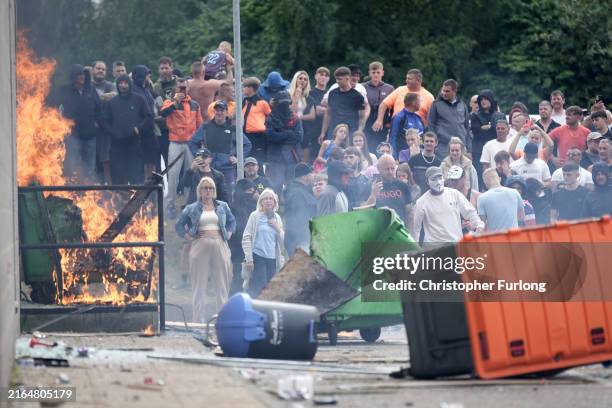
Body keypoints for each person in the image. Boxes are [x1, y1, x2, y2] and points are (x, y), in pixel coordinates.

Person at [175, 177, 235, 323]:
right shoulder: (192, 208)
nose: (208, 191)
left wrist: (229, 232)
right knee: (198, 285)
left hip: (219, 242)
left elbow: (232, 221)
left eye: (211, 188)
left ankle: (222, 319)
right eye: (205, 188)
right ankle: (198, 320)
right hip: (200, 244)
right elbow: (178, 225)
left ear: (214, 191)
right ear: (200, 190)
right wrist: (188, 237)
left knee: (222, 284)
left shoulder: (223, 206)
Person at [160, 78, 203, 217]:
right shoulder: (169, 102)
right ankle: (170, 205)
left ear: (188, 88)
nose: (182, 90)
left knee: (190, 173)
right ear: (175, 88)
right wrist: (176, 102)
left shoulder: (195, 104)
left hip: (190, 144)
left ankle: (188, 205)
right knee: (172, 175)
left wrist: (200, 143)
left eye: (184, 87)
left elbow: (199, 125)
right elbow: (163, 113)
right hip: (175, 143)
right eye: (180, 88)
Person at [102, 74, 153, 184]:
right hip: (116, 144)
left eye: (125, 83)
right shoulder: (112, 102)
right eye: (120, 83)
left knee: (136, 176)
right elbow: (104, 121)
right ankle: (118, 200)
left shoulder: (139, 99)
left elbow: (148, 117)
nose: (123, 85)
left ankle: (138, 200)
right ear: (117, 85)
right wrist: (112, 131)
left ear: (129, 84)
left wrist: (139, 128)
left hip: (134, 143)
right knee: (117, 176)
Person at [412, 166, 483, 244]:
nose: (438, 182)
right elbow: (416, 228)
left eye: (440, 178)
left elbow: (470, 212)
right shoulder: (421, 202)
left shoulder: (454, 194)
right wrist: (416, 247)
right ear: (427, 182)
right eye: (433, 179)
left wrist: (478, 225)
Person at [59, 64, 102, 184]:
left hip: (90, 136)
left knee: (89, 168)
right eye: (79, 74)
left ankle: (88, 194)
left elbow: (98, 108)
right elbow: (54, 108)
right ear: (74, 76)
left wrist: (97, 123)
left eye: (84, 74)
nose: (82, 77)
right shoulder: (65, 90)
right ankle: (74, 193)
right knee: (74, 166)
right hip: (73, 135)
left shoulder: (91, 90)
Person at [202, 100, 252, 198]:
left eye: (222, 110)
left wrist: (238, 158)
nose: (219, 112)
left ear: (226, 112)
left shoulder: (233, 128)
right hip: (209, 169)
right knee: (208, 195)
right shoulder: (206, 127)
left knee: (228, 196)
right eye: (217, 110)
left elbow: (247, 144)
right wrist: (201, 156)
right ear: (214, 112)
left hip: (227, 170)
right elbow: (193, 142)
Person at [242, 189, 285, 297]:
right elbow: (246, 237)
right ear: (261, 201)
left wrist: (277, 227)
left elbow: (283, 241)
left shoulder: (277, 217)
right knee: (260, 286)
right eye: (265, 198)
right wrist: (249, 259)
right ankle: (254, 311)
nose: (268, 201)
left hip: (272, 259)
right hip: (258, 256)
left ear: (275, 202)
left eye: (271, 198)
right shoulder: (255, 216)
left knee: (271, 289)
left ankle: (267, 313)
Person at [319, 67, 366, 142]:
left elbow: (362, 118)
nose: (337, 81)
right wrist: (323, 132)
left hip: (350, 132)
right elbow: (328, 114)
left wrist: (359, 132)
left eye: (340, 79)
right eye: (336, 79)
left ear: (347, 78)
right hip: (333, 131)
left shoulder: (358, 96)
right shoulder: (332, 93)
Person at [228, 179, 259, 295]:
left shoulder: (257, 208)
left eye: (253, 190)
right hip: (237, 250)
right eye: (248, 190)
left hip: (255, 249)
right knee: (238, 280)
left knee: (254, 282)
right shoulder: (232, 208)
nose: (251, 192)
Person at [364, 154, 412, 225]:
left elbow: (409, 213)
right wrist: (373, 195)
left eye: (392, 168)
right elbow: (364, 211)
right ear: (378, 168)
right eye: (387, 169)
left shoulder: (402, 185)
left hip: (399, 228)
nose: (390, 172)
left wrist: (410, 232)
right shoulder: (370, 185)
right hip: (378, 228)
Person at [428, 79, 471, 157]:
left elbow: (467, 128)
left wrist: (469, 149)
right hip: (443, 147)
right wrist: (434, 146)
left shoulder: (463, 105)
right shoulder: (436, 105)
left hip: (461, 146)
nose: (444, 93)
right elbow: (431, 126)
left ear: (454, 91)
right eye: (443, 91)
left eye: (447, 91)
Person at [470, 90, 505, 180]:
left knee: (500, 176)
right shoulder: (475, 116)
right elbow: (478, 133)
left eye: (486, 99)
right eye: (481, 99)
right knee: (481, 177)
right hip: (479, 151)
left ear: (491, 100)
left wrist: (487, 127)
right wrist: (492, 127)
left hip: (497, 150)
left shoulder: (499, 116)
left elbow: (501, 132)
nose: (483, 101)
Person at [283, 163, 317, 255]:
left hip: (299, 239)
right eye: (311, 173)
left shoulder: (299, 190)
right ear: (304, 177)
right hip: (299, 241)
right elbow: (299, 219)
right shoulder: (297, 193)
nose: (314, 175)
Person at [363, 61, 395, 150]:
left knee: (381, 146)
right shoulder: (362, 87)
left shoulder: (389, 88)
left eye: (378, 72)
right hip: (367, 121)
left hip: (383, 122)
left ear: (382, 73)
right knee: (367, 145)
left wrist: (389, 122)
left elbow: (393, 107)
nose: (376, 75)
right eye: (373, 73)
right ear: (369, 73)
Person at [153, 56, 178, 168]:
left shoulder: (178, 83)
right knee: (164, 162)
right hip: (163, 129)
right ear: (158, 70)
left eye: (166, 68)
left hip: (178, 128)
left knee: (176, 162)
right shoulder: (156, 87)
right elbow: (159, 107)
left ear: (171, 68)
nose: (164, 71)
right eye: (162, 68)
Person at [302, 67, 330, 162]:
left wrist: (323, 109)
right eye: (321, 74)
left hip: (326, 131)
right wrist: (326, 109)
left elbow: (332, 111)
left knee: (323, 160)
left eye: (326, 75)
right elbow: (315, 111)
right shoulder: (309, 93)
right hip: (311, 130)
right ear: (315, 76)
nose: (323, 77)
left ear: (328, 79)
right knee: (309, 160)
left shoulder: (330, 94)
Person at [389, 93, 424, 160]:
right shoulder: (399, 117)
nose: (421, 103)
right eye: (420, 101)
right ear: (413, 103)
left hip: (419, 156)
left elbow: (422, 138)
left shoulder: (418, 118)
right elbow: (393, 138)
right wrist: (394, 157)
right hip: (403, 157)